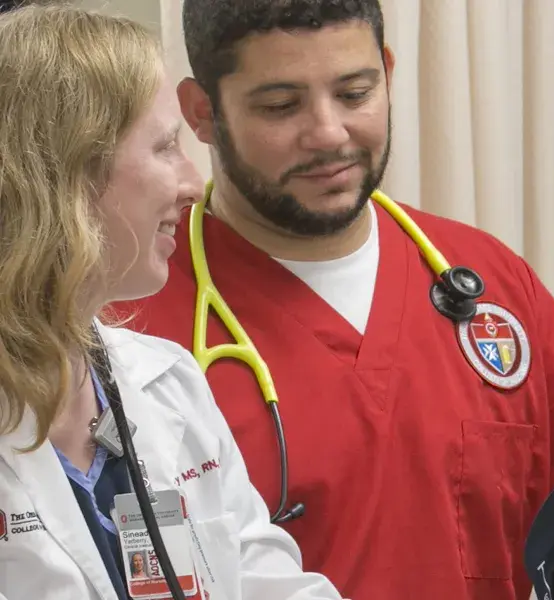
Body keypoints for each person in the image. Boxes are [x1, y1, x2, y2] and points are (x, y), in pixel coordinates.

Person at [113, 0, 554, 599]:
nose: (329, 133)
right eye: (281, 106)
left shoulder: (490, 281)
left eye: (355, 93)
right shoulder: (132, 314)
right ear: (202, 112)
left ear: (387, 72)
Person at [0, 5, 345, 600]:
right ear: (66, 174)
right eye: (165, 148)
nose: (193, 182)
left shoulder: (167, 383)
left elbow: (266, 580)